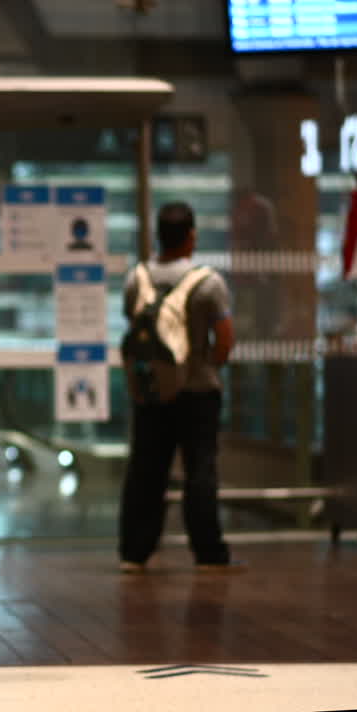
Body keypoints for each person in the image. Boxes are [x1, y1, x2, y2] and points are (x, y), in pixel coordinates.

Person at [119, 202, 237, 574]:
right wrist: (205, 364)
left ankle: (135, 552)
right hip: (198, 391)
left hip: (151, 390)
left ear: (158, 235)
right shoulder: (208, 283)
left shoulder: (136, 278)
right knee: (200, 469)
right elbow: (225, 339)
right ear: (191, 236)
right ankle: (207, 551)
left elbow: (135, 327)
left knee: (146, 469)